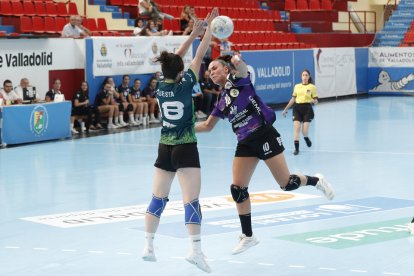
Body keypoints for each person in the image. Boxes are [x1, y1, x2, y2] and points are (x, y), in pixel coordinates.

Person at [195, 54, 335, 255]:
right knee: (238, 190)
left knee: (286, 183)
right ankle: (249, 236)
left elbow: (242, 69)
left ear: (226, 70)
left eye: (215, 68)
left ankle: (316, 181)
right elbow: (208, 126)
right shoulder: (221, 100)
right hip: (245, 142)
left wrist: (237, 61)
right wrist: (184, 129)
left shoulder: (240, 82)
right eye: (209, 71)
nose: (212, 72)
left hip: (263, 134)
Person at [142, 8, 218, 273]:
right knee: (191, 201)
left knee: (158, 198)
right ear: (181, 70)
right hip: (185, 147)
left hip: (164, 147)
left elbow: (177, 59)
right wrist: (206, 30)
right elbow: (198, 55)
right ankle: (195, 250)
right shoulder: (186, 83)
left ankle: (148, 245)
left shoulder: (160, 86)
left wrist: (191, 34)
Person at [282, 69, 318, 155]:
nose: (305, 77)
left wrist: (314, 101)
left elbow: (316, 100)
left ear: (309, 77)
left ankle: (306, 138)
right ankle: (296, 149)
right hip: (297, 109)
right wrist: (285, 109)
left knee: (304, 131)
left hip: (307, 109)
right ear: (301, 77)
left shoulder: (312, 87)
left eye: (306, 75)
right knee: (297, 128)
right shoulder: (297, 86)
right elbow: (293, 99)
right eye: (303, 75)